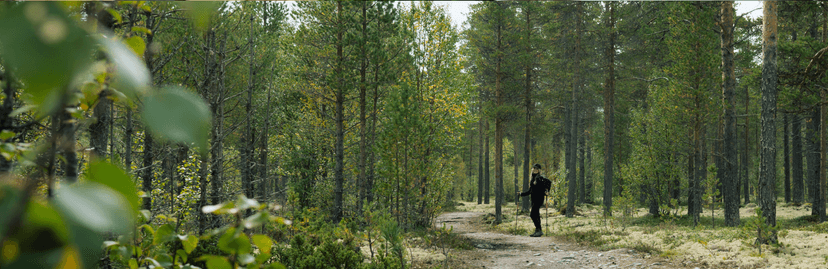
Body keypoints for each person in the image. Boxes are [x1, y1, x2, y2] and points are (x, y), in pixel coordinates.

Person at [519, 163, 551, 237]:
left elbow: (549, 182)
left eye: (536, 169)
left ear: (539, 170)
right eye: (534, 168)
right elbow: (530, 191)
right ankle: (538, 230)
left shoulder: (539, 178)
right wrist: (521, 194)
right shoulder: (533, 179)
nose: (535, 170)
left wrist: (547, 191)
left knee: (533, 214)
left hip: (539, 198)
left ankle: (538, 230)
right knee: (535, 214)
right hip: (534, 199)